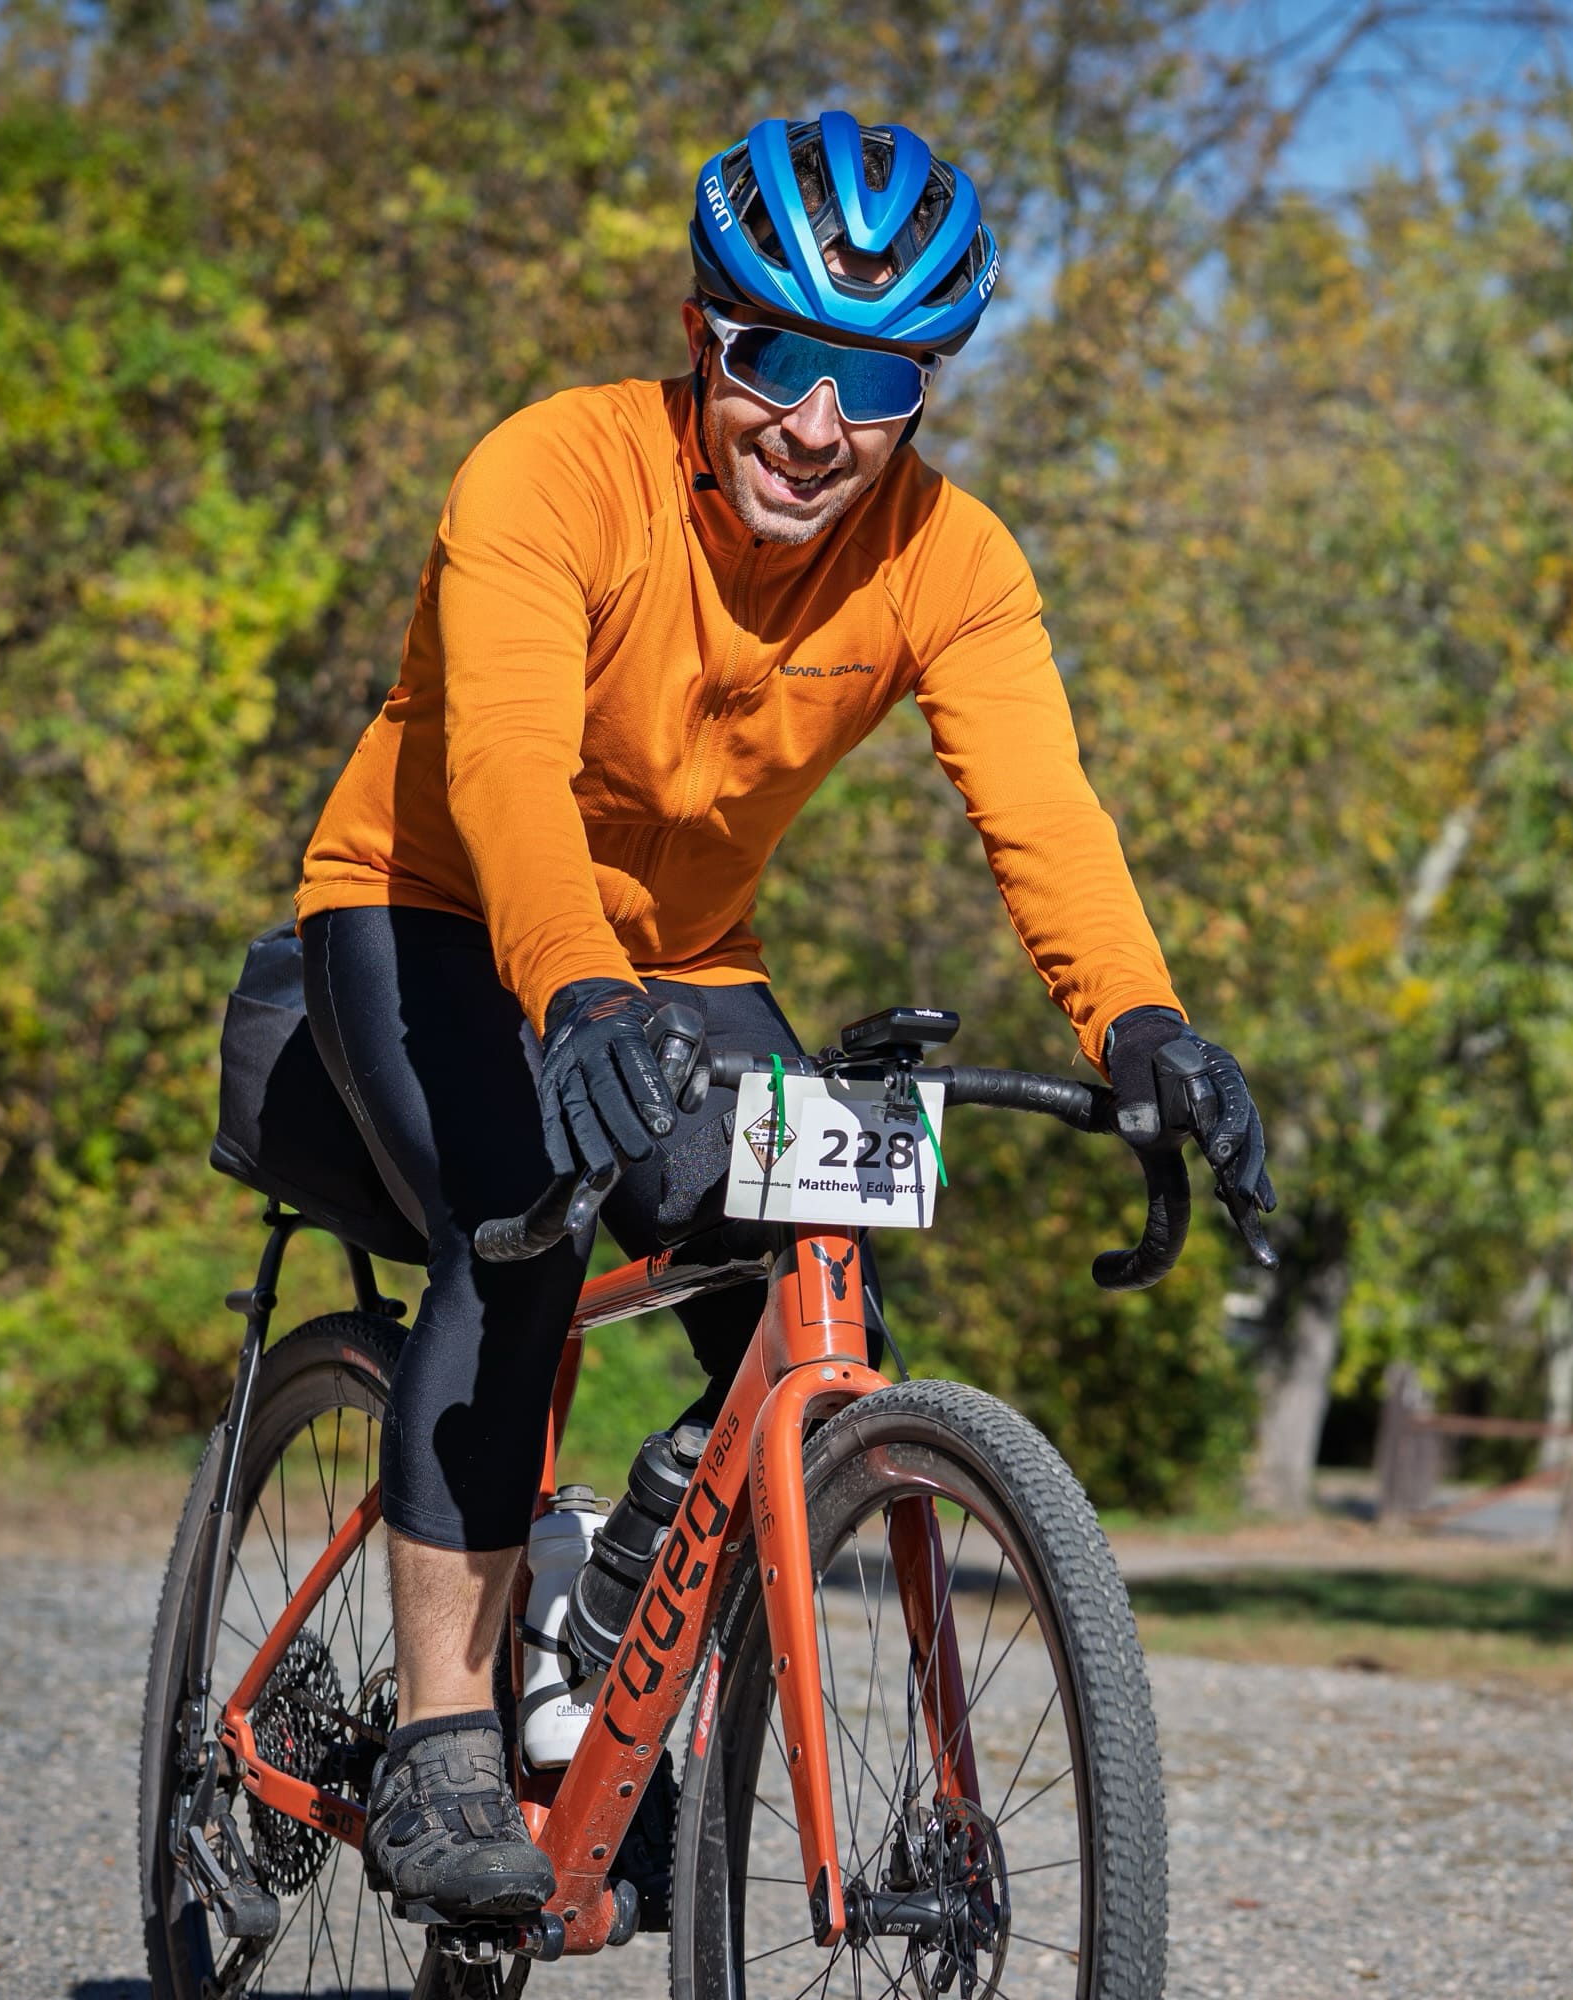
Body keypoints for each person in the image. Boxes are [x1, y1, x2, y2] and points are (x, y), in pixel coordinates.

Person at [287, 111, 1275, 1922]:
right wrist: (570, 984)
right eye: (777, 359)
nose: (817, 425)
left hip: (685, 956)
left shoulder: (949, 560)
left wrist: (1140, 1024)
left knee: (823, 1272)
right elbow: (501, 764)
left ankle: (615, 1619)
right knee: (514, 1238)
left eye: (877, 378)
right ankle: (440, 1743)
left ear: (923, 393)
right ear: (701, 337)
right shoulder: (549, 473)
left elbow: (1042, 813)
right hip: (427, 908)